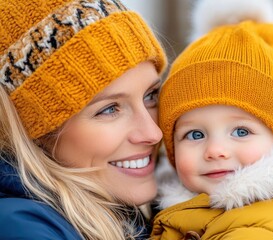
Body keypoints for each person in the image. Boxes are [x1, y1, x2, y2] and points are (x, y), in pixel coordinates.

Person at [151, 0, 273, 239]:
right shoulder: (182, 209)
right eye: (195, 134)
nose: (215, 151)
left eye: (241, 131)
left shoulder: (265, 227)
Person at [0, 0, 167, 239]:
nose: (153, 133)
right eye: (109, 109)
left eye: (150, 96)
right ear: (35, 132)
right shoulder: (22, 228)